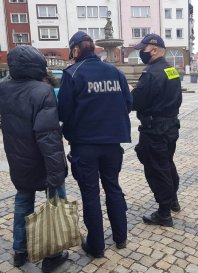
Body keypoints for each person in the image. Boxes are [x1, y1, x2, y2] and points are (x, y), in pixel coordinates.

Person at [0, 45, 68, 271]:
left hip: (18, 158)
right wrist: (56, 172)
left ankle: (19, 250)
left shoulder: (3, 90)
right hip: (43, 161)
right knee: (55, 204)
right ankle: (52, 253)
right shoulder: (43, 92)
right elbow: (48, 136)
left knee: (23, 202)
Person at [57, 31, 132, 258]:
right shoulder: (115, 72)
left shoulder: (72, 73)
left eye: (72, 51)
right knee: (113, 188)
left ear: (76, 51)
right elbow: (128, 104)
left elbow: (64, 111)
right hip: (112, 144)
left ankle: (96, 246)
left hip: (85, 145)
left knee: (90, 194)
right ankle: (120, 237)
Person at [131, 34, 182, 227]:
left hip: (154, 130)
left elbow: (136, 102)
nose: (140, 53)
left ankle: (163, 212)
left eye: (141, 50)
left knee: (156, 168)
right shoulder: (171, 70)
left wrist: (132, 91)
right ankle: (173, 200)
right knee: (167, 163)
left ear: (153, 50)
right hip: (170, 126)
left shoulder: (150, 73)